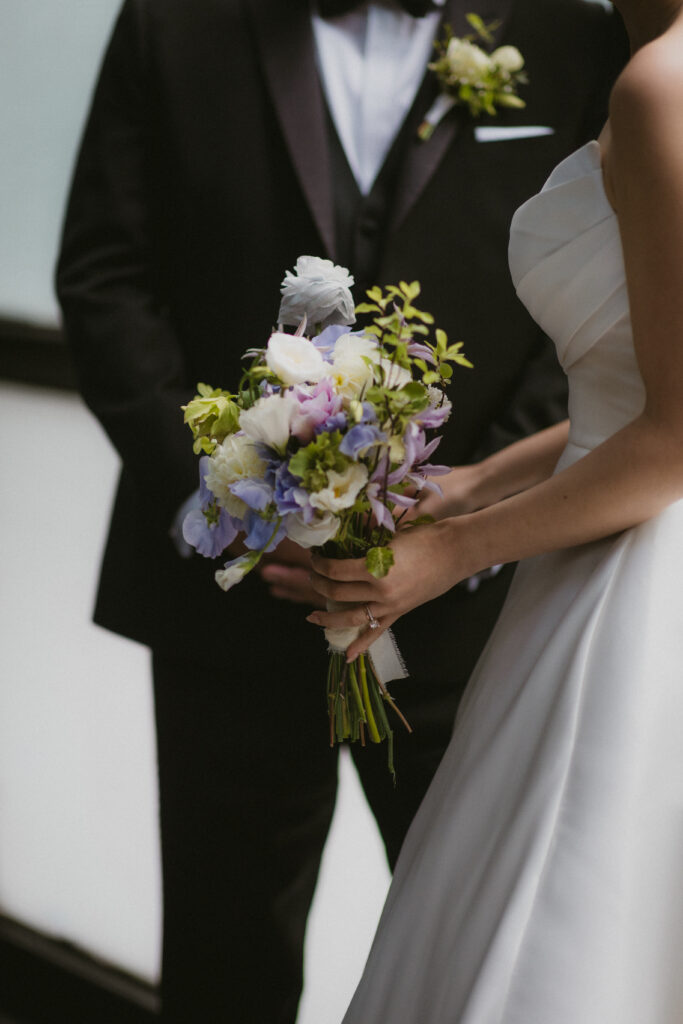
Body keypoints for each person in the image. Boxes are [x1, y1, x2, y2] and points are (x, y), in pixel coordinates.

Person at [55, 0, 625, 1020]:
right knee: (223, 959)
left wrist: (458, 510)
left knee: (475, 952)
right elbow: (105, 276)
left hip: (468, 619)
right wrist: (236, 500)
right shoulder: (171, 21)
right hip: (227, 607)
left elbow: (608, 313)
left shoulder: (577, 35)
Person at [308, 2, 683, 1020]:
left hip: (628, 582)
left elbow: (668, 442)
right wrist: (475, 480)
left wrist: (450, 551)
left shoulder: (657, 85)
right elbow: (640, 393)